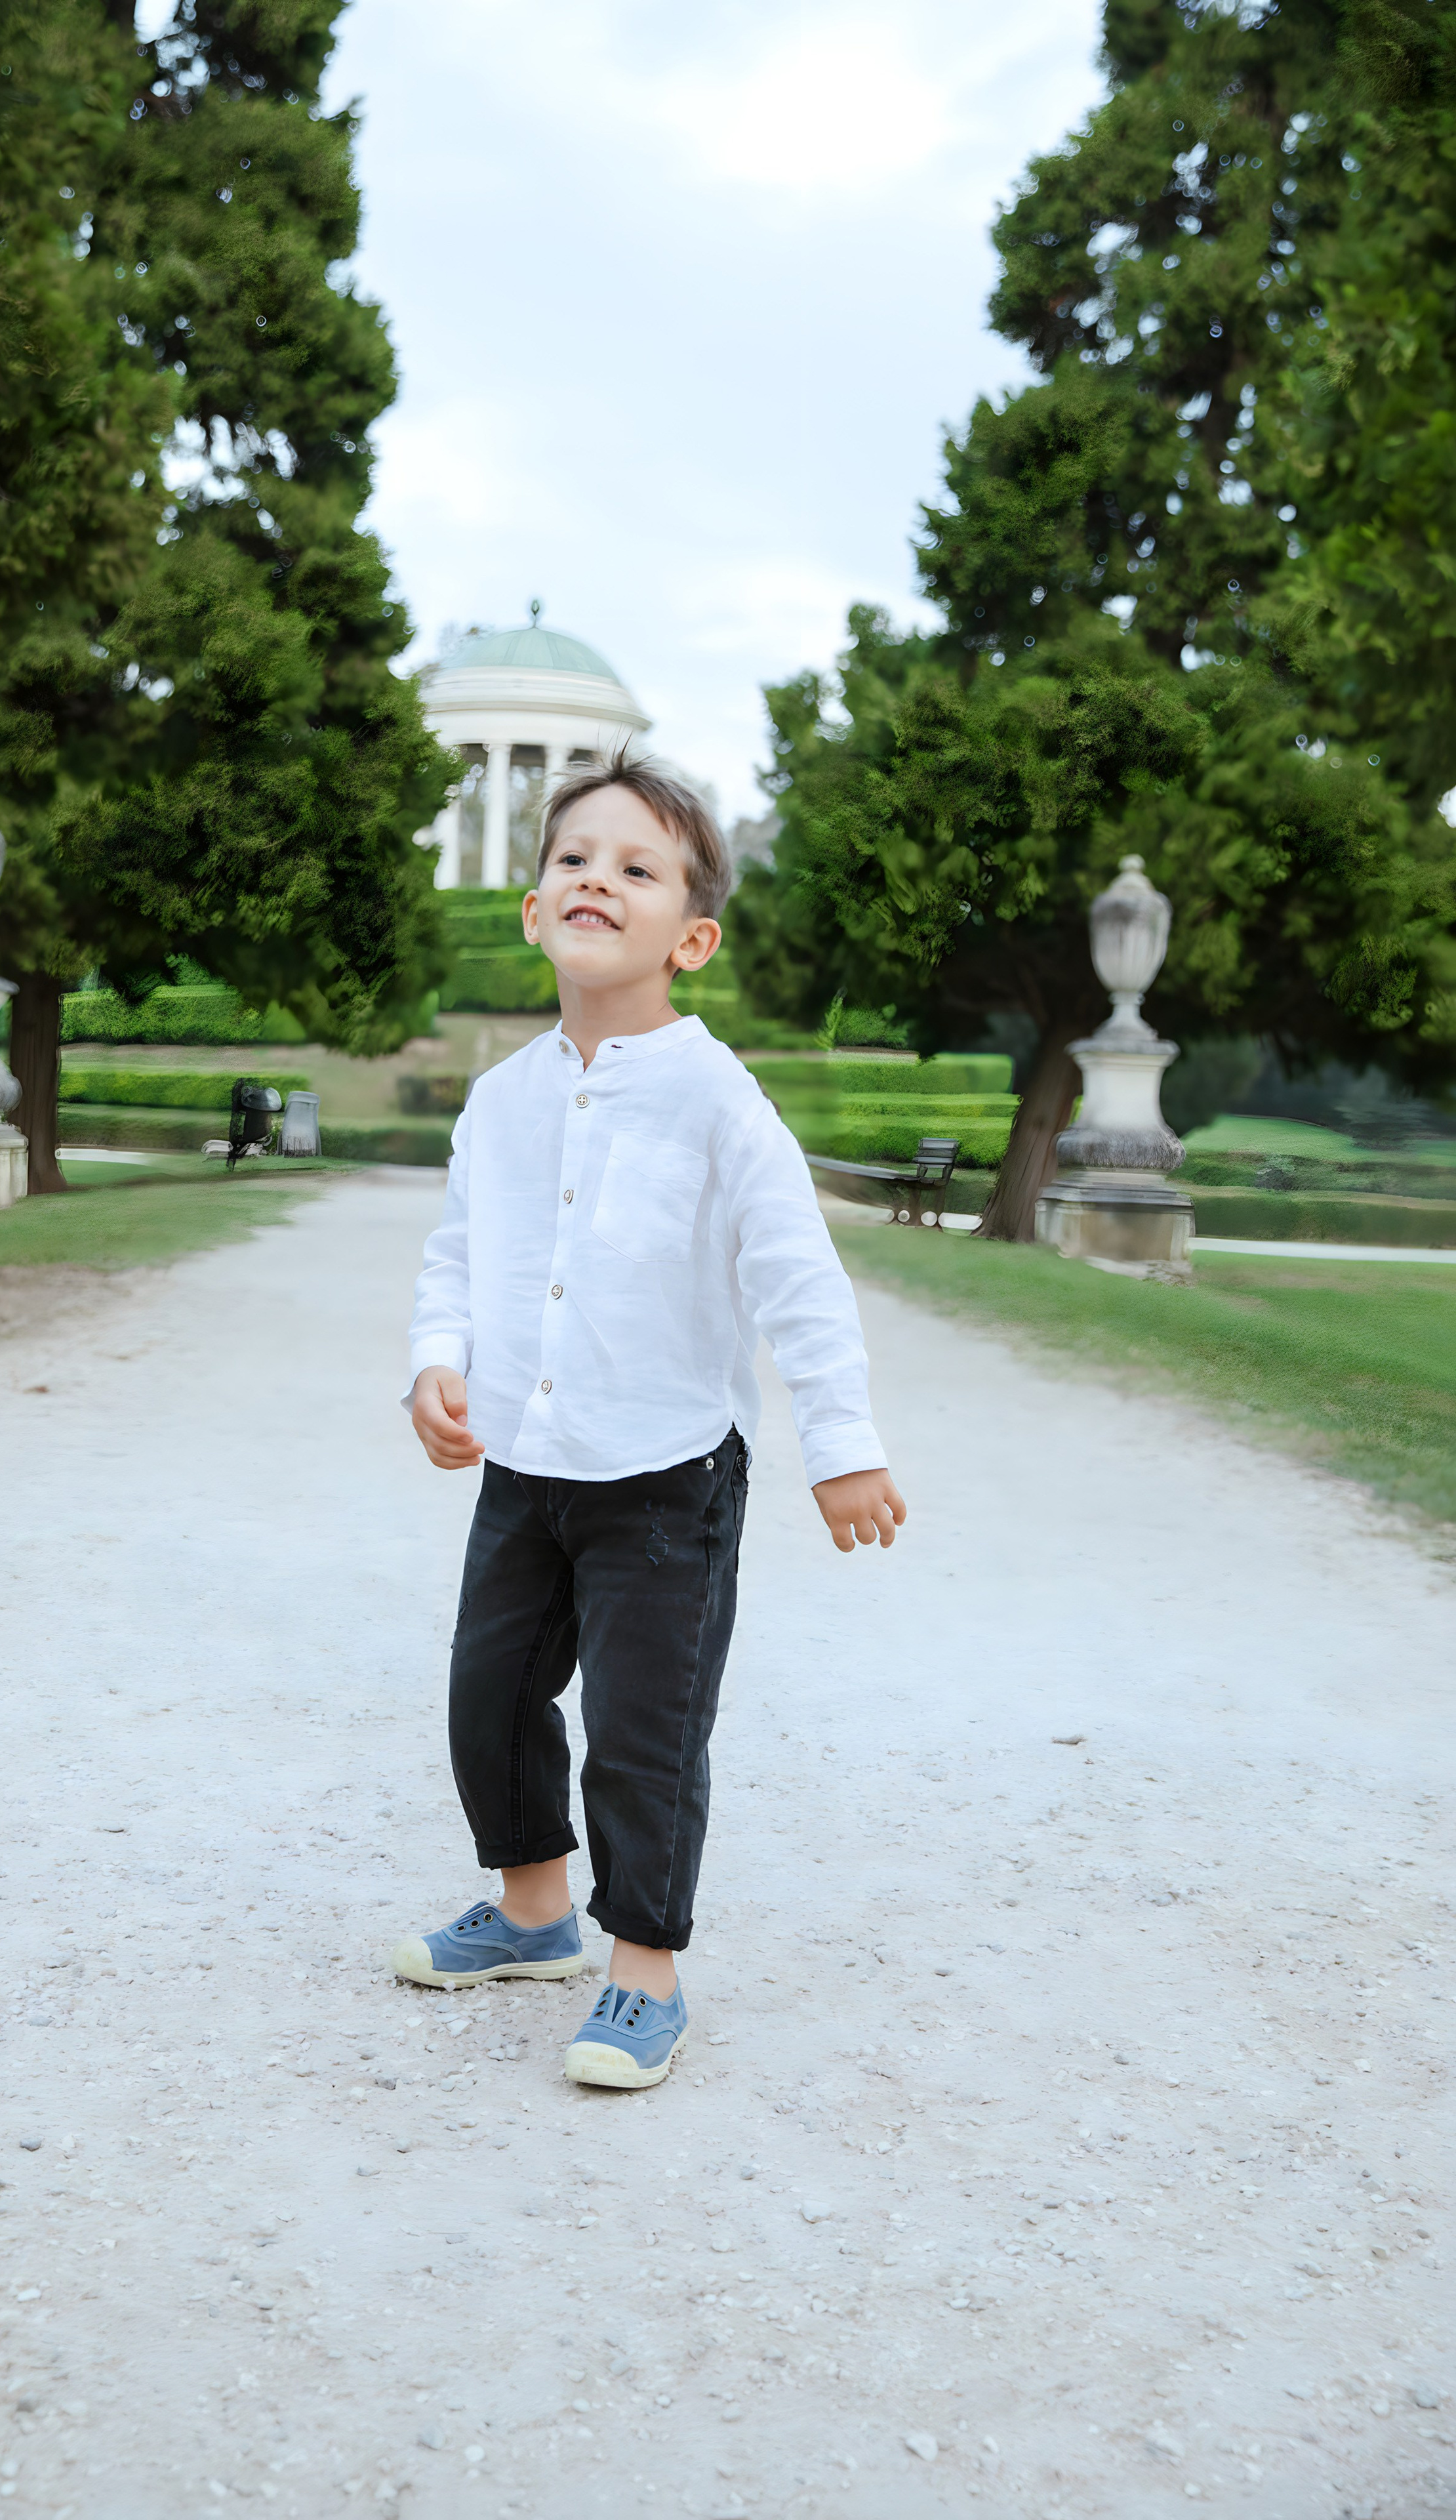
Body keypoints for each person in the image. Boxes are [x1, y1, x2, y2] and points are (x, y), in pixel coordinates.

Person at [392, 746, 905, 2088]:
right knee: (487, 1694)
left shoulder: (717, 1097)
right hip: (525, 1461)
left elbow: (797, 1274)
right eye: (571, 859)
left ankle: (641, 1972)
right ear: (531, 907)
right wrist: (434, 1363)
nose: (592, 881)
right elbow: (456, 1251)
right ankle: (529, 1911)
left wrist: (840, 1446)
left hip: (666, 1473)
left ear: (690, 935)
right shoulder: (499, 1101)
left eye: (633, 866)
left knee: (641, 1729)